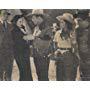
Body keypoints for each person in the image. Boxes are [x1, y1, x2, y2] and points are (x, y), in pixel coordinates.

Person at [26, 9, 52, 81]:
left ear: (39, 18)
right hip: (36, 56)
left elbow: (47, 43)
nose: (32, 20)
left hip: (43, 57)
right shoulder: (36, 28)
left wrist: (34, 38)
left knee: (43, 77)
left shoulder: (46, 28)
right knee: (39, 76)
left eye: (33, 17)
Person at [53, 13, 79, 81]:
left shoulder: (72, 33)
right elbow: (55, 44)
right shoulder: (57, 33)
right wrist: (56, 51)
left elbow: (75, 47)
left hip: (69, 56)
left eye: (62, 22)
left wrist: (72, 38)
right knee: (59, 77)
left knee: (68, 78)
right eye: (60, 22)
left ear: (67, 23)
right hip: (59, 57)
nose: (60, 24)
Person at [11, 15, 33, 81]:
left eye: (22, 21)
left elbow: (28, 35)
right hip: (19, 54)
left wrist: (25, 26)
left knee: (27, 72)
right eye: (20, 21)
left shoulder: (22, 29)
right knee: (24, 72)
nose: (21, 23)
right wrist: (31, 37)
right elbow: (25, 38)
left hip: (25, 53)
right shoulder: (14, 30)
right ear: (15, 22)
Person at [76, 10, 90, 81]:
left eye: (80, 20)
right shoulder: (78, 30)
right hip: (81, 60)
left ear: (87, 20)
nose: (78, 22)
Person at [0, 10, 14, 80]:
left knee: (8, 72)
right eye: (4, 14)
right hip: (0, 52)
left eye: (7, 14)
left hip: (9, 52)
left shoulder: (10, 25)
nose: (6, 16)